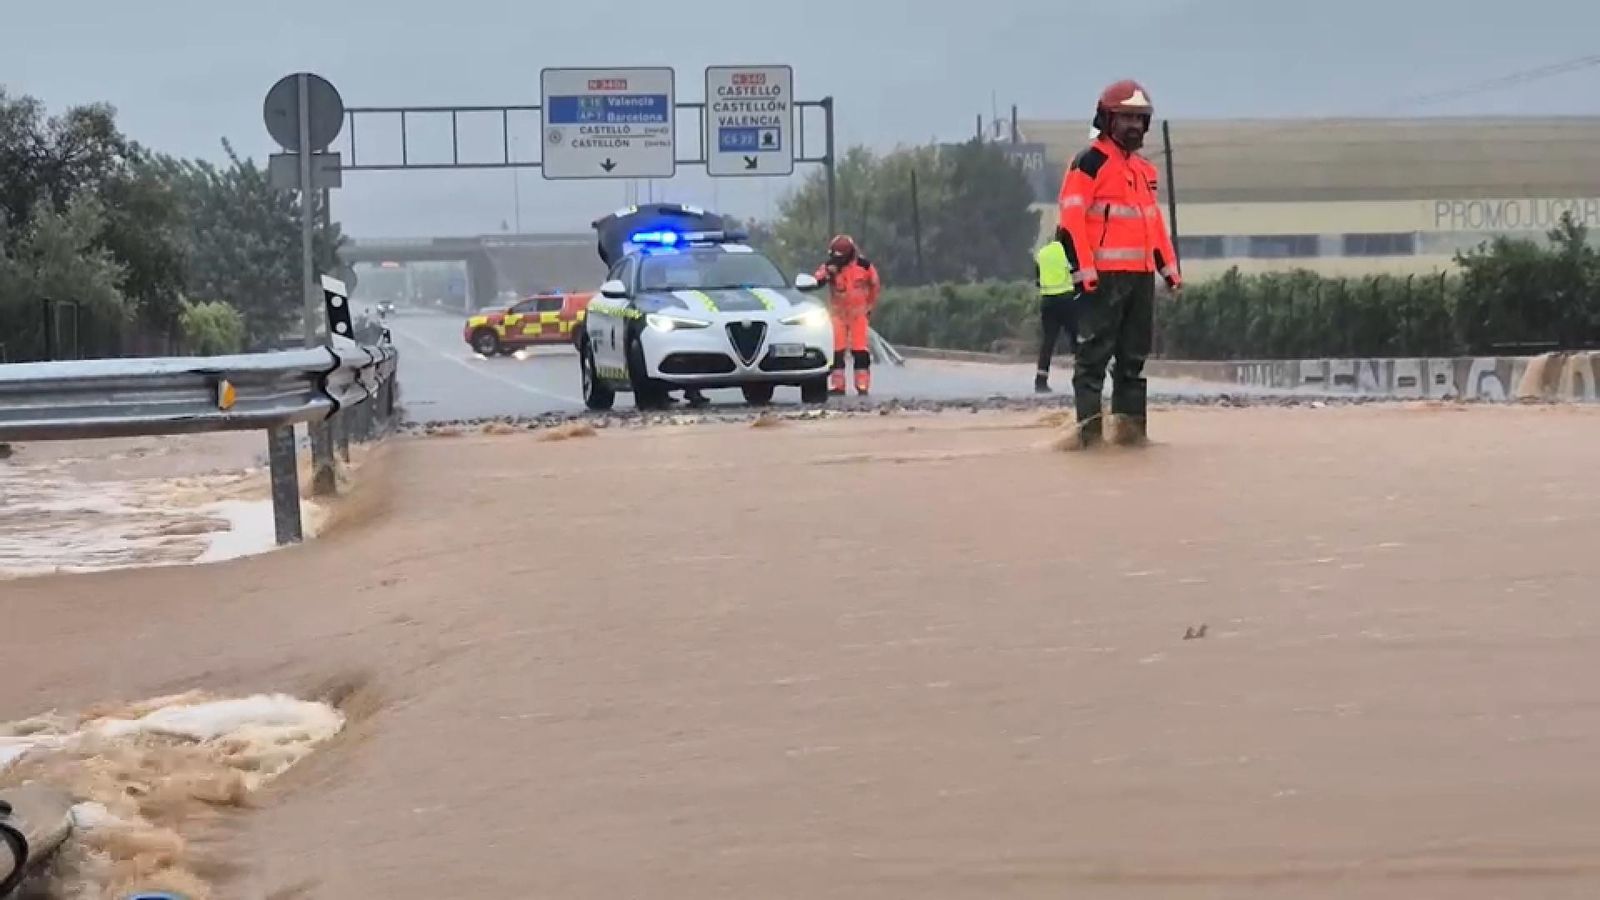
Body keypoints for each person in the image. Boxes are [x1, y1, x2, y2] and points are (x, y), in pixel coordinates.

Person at [1055, 79, 1182, 448]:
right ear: (1107, 119)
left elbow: (1153, 224)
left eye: (1140, 119)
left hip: (1140, 278)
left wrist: (1169, 271)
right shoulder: (1089, 162)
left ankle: (1130, 438)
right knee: (1092, 361)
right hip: (1101, 278)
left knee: (1133, 361)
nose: (1134, 126)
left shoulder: (1145, 171)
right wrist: (1084, 271)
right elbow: (1071, 221)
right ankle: (1088, 439)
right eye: (1126, 117)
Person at [814, 234, 882, 395]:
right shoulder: (830, 266)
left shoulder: (864, 266)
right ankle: (838, 385)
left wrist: (869, 306)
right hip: (838, 315)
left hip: (859, 315)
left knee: (860, 350)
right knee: (836, 351)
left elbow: (875, 285)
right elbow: (816, 280)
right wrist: (828, 273)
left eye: (840, 256)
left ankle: (862, 384)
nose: (838, 259)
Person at [1033, 227, 1078, 393]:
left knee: (1048, 341)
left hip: (1047, 301)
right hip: (1066, 300)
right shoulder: (1069, 253)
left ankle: (1040, 381)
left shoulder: (1042, 253)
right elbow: (1076, 275)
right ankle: (1082, 378)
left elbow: (1038, 281)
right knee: (1076, 339)